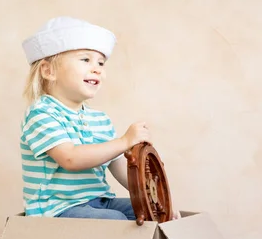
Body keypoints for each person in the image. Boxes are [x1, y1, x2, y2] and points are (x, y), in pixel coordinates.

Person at [19, 16, 178, 221]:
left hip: (99, 200)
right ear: (48, 71)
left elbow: (120, 166)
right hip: (56, 210)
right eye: (85, 60)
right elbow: (70, 158)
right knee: (115, 222)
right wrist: (123, 142)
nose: (97, 68)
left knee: (147, 214)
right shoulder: (41, 113)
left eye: (101, 63)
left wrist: (157, 203)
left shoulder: (99, 119)